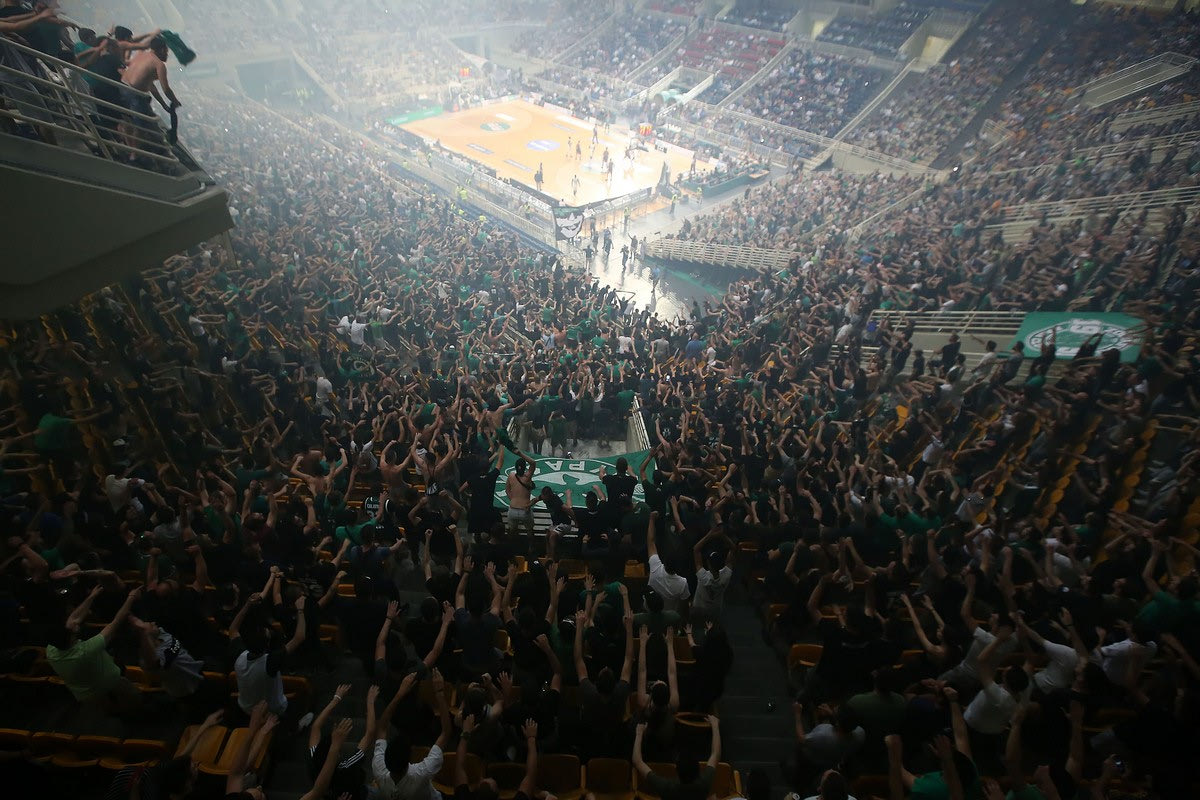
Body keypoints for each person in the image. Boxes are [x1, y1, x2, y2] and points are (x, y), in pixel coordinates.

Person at [46, 583, 143, 712]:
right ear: (71, 636)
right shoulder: (87, 650)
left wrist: (92, 596)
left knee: (108, 711)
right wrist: (131, 597)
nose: (73, 623)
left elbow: (74, 618)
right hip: (112, 684)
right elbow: (117, 620)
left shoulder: (51, 651)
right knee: (134, 701)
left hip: (87, 696)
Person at [633, 713, 721, 800]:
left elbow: (637, 761)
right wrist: (715, 726)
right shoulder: (704, 784)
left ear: (676, 769)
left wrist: (639, 733)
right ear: (698, 769)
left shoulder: (666, 787)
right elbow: (715, 754)